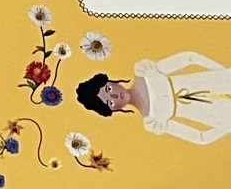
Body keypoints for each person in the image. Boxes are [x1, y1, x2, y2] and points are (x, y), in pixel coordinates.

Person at [77, 56, 231, 145]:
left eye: (109, 89)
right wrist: (225, 124)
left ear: (111, 82)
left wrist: (220, 73)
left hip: (221, 81)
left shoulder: (145, 72)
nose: (116, 96)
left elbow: (190, 57)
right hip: (221, 114)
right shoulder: (153, 121)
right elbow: (201, 137)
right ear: (113, 109)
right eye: (110, 102)